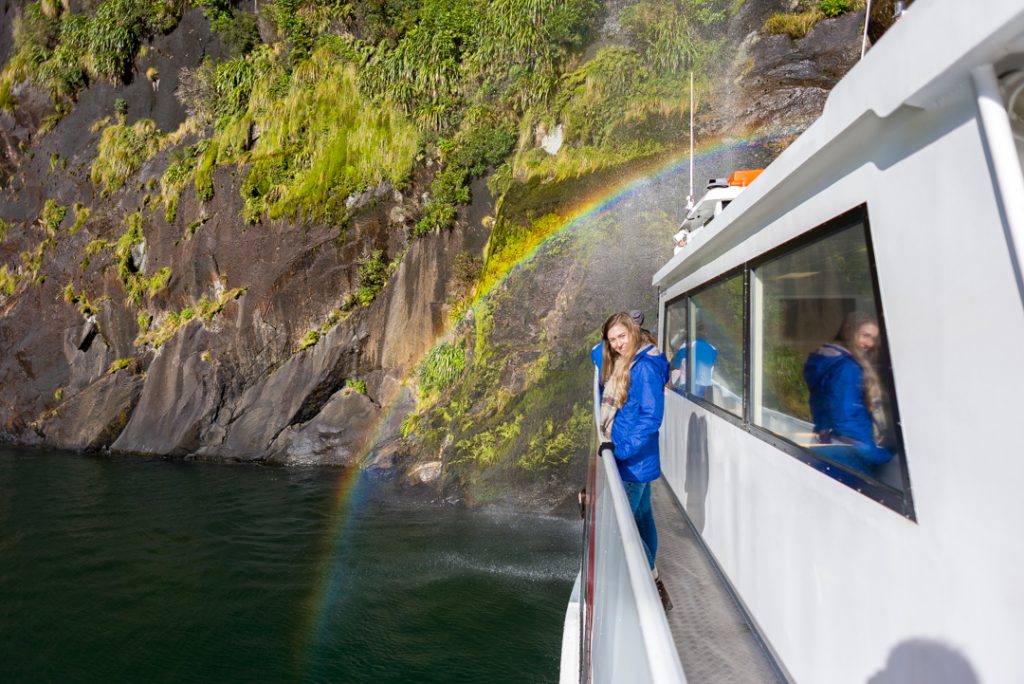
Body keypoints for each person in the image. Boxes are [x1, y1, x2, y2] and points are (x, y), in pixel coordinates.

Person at [593, 311, 672, 611]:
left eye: (622, 336)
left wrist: (619, 450)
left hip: (631, 460)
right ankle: (652, 577)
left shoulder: (644, 367)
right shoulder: (632, 360)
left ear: (634, 331)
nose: (617, 344)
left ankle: (648, 584)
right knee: (641, 517)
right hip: (638, 458)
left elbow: (651, 417)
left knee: (624, 526)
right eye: (612, 340)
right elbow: (595, 353)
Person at [803, 311, 892, 476]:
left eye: (873, 338)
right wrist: (875, 453)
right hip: (846, 455)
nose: (870, 343)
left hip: (825, 444)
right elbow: (846, 417)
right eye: (865, 336)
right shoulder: (847, 368)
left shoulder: (827, 360)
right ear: (850, 331)